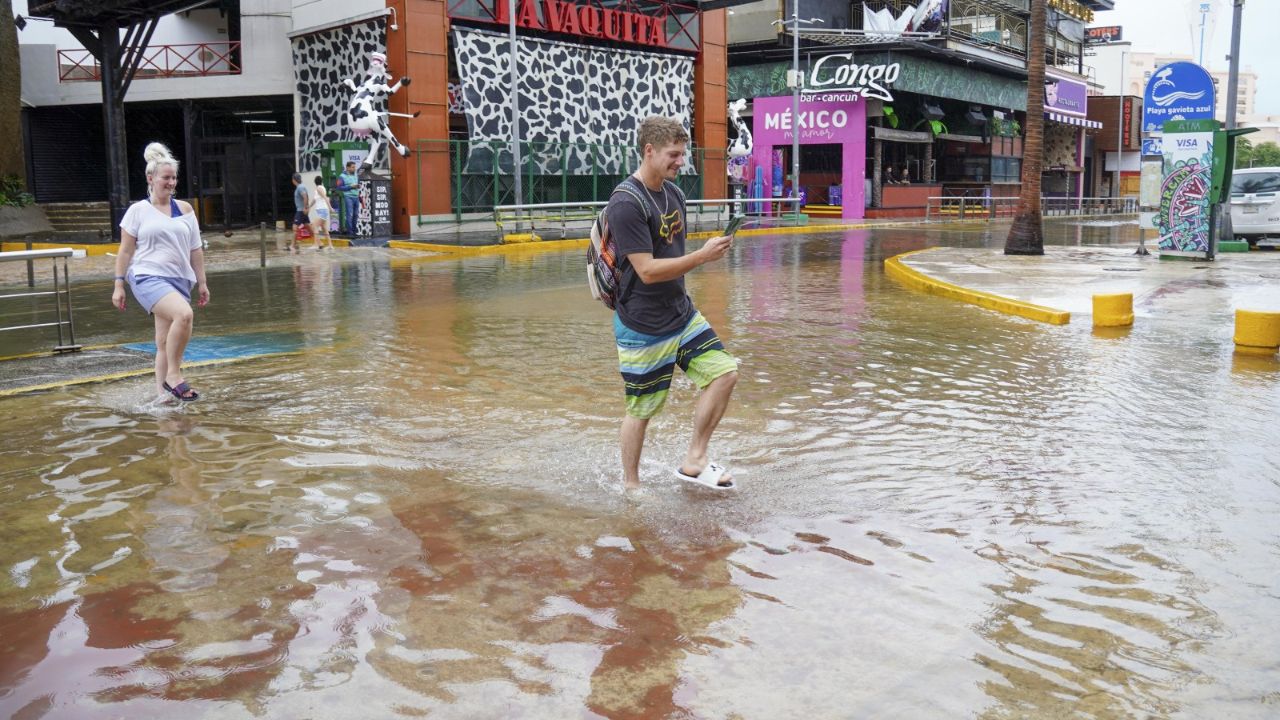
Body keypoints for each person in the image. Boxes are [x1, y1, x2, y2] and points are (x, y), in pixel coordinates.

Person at [608, 116, 739, 491]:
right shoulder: (626, 203)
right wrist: (702, 256)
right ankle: (631, 485)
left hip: (681, 314)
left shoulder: (674, 194)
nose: (681, 162)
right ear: (649, 151)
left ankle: (695, 459)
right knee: (642, 410)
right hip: (642, 324)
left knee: (725, 373)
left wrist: (706, 252)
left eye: (683, 154)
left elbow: (671, 252)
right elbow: (647, 270)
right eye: (674, 154)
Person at [111, 142, 209, 402]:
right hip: (146, 276)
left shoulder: (185, 210)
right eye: (166, 177)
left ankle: (161, 397)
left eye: (174, 177)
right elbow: (125, 251)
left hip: (179, 280)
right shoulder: (138, 211)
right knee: (184, 315)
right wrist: (119, 284)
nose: (171, 182)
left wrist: (202, 282)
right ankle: (174, 376)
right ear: (150, 178)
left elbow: (195, 249)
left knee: (163, 341)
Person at [335, 161, 361, 235]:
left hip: (356, 197)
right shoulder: (342, 176)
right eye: (353, 167)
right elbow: (339, 187)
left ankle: (354, 231)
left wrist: (358, 186)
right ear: (347, 168)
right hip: (348, 197)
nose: (354, 169)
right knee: (350, 215)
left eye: (354, 167)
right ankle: (350, 232)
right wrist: (350, 187)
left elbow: (357, 184)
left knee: (356, 214)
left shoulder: (355, 175)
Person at [310, 175, 334, 251]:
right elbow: (314, 200)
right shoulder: (320, 188)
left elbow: (325, 198)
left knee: (314, 225)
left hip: (323, 211)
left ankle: (316, 244)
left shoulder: (319, 188)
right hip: (322, 211)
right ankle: (330, 245)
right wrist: (309, 206)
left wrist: (330, 208)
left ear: (315, 182)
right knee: (324, 229)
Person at [290, 173, 309, 254]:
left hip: (300, 211)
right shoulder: (301, 186)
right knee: (309, 227)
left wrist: (305, 208)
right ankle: (318, 242)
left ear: (294, 180)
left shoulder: (300, 187)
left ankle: (292, 245)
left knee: (294, 227)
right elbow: (307, 197)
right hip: (302, 210)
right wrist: (307, 207)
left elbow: (305, 197)